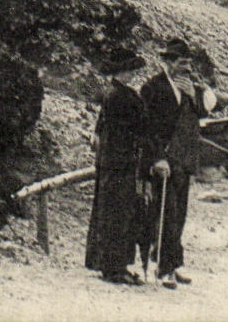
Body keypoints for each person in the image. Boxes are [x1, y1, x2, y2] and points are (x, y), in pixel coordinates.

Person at [140, 39, 211, 288]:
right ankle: (164, 268)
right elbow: (147, 128)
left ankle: (173, 263)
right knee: (166, 215)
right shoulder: (153, 87)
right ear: (168, 62)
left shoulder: (190, 88)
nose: (185, 69)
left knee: (179, 216)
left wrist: (194, 97)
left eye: (188, 64)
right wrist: (158, 157)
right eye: (181, 64)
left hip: (185, 161)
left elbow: (203, 115)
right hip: (165, 162)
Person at [85, 52, 148, 286]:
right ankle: (114, 268)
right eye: (130, 71)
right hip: (120, 163)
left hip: (109, 162)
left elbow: (100, 131)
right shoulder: (125, 98)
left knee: (108, 212)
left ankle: (106, 263)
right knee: (119, 214)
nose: (132, 75)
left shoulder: (111, 95)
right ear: (122, 72)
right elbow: (139, 128)